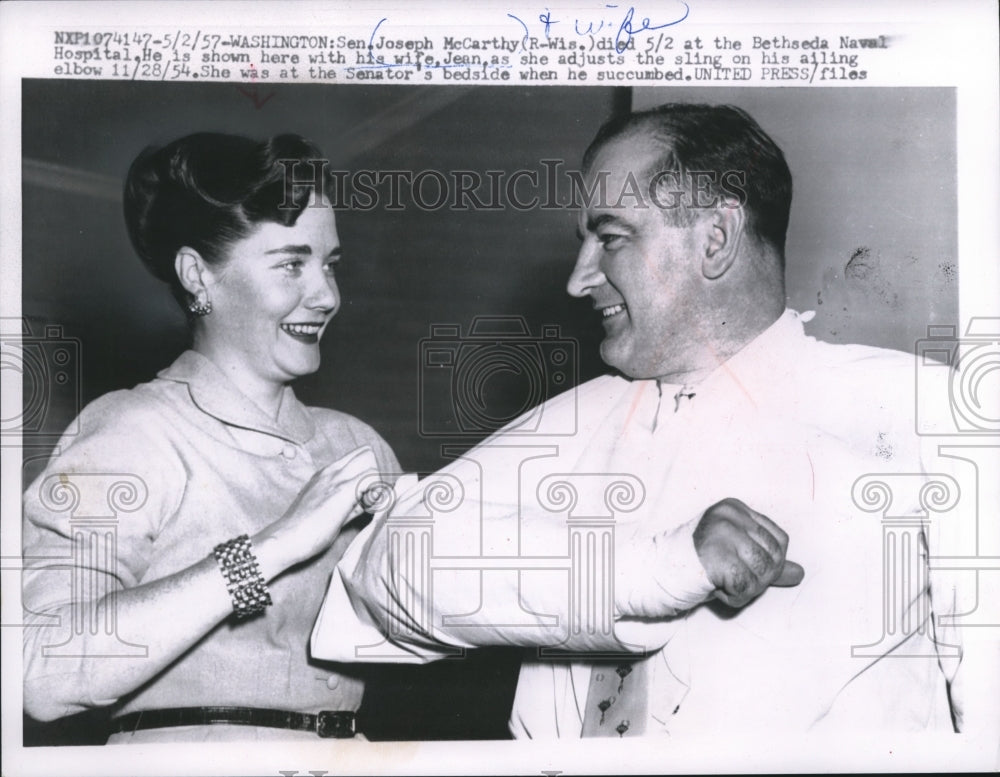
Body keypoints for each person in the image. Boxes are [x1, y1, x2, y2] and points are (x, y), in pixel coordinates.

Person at [312, 104, 997, 739]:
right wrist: (662, 567)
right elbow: (385, 570)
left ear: (717, 238)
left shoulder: (923, 410)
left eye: (610, 237)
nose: (578, 279)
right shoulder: (569, 424)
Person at [22, 132, 399, 743]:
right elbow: (39, 669)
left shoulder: (355, 446)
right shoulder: (134, 430)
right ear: (198, 275)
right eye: (291, 263)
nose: (327, 295)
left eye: (330, 265)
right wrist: (272, 548)